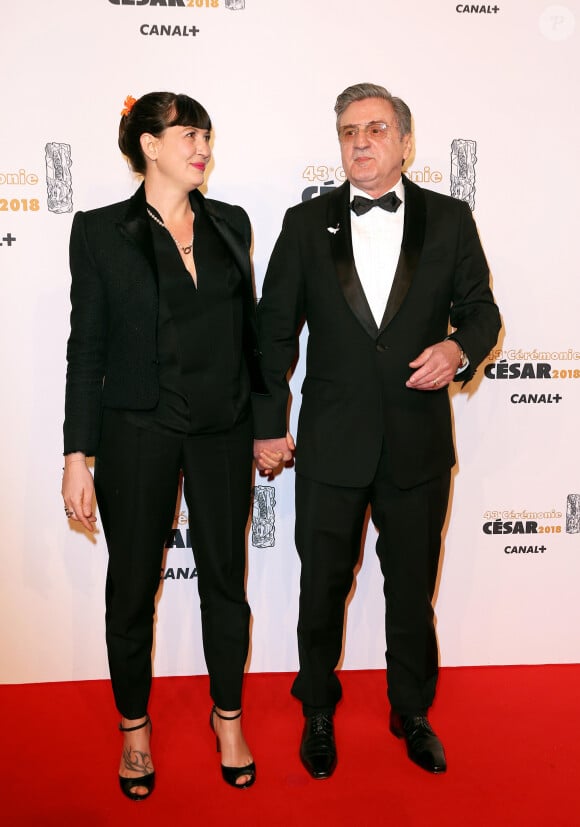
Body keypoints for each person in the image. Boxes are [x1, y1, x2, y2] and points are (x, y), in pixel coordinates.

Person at [253, 83, 501, 778]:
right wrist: (269, 426)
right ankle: (318, 710)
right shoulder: (307, 226)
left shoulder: (450, 220)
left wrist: (459, 349)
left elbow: (482, 311)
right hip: (332, 443)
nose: (360, 140)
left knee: (411, 587)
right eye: (347, 131)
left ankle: (412, 709)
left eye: (375, 128)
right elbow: (274, 333)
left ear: (405, 142)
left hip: (419, 443)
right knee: (322, 587)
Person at [62, 91, 266, 799]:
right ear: (149, 145)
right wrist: (76, 454)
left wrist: (266, 419)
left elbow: (253, 336)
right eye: (187, 134)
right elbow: (86, 349)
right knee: (131, 588)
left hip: (223, 431)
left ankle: (228, 716)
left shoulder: (231, 223)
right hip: (137, 432)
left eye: (206, 134)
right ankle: (134, 729)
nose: (201, 146)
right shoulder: (97, 232)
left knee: (224, 582)